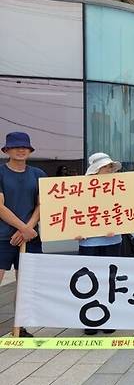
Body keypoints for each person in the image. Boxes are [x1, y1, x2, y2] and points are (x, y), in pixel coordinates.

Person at [0, 132, 46, 338]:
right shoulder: (0, 173)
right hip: (2, 236)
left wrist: (28, 229)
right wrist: (23, 228)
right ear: (6, 150)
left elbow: (42, 204)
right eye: (15, 147)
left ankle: (19, 327)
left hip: (31, 237)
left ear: (30, 150)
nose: (21, 150)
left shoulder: (38, 174)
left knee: (26, 283)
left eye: (24, 147)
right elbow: (0, 207)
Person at [77, 152, 123, 335]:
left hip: (113, 239)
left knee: (110, 280)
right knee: (89, 280)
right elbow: (73, 211)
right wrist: (75, 231)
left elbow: (126, 211)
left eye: (110, 167)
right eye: (105, 167)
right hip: (89, 242)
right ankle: (90, 319)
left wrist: (119, 226)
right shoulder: (80, 188)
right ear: (95, 170)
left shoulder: (119, 187)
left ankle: (108, 318)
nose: (108, 170)